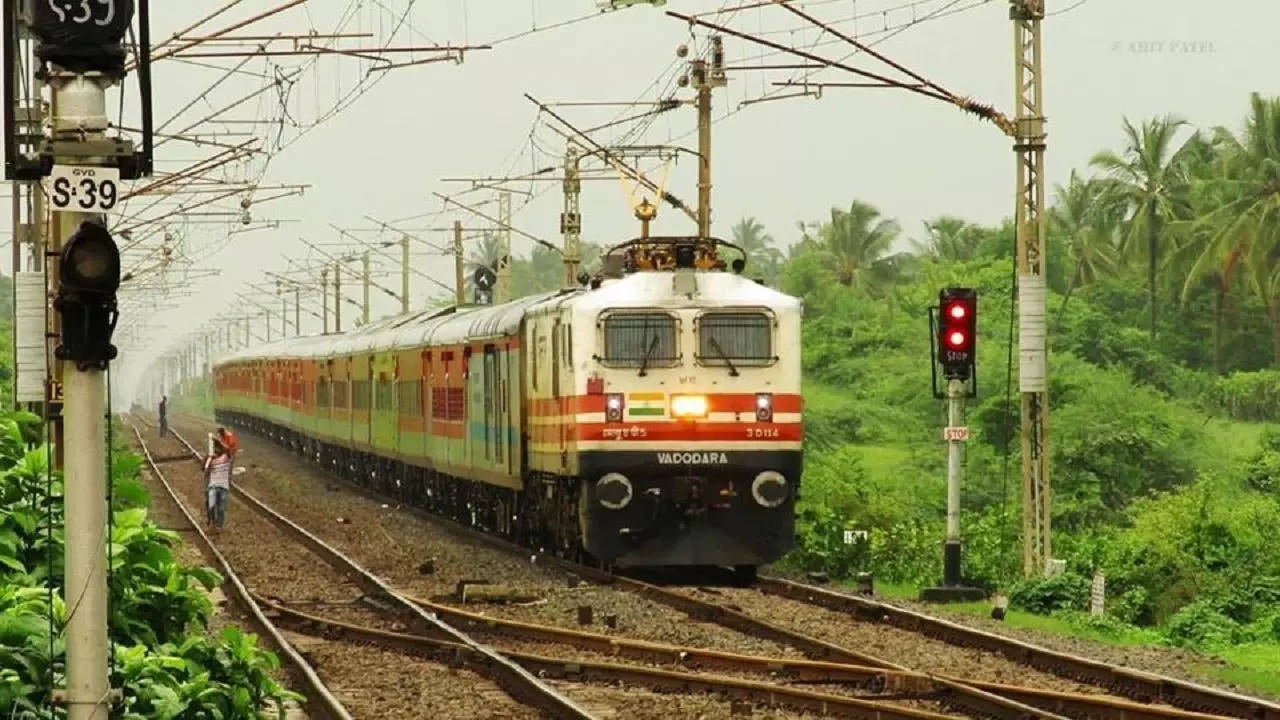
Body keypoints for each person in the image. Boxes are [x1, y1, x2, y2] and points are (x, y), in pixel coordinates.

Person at [203, 439, 232, 531]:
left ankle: (219, 526)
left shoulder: (225, 458)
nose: (217, 450)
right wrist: (210, 458)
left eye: (218, 448)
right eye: (215, 449)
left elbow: (228, 450)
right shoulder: (210, 459)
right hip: (213, 486)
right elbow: (205, 470)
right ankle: (213, 523)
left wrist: (219, 441)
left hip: (224, 487)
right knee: (212, 505)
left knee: (221, 508)